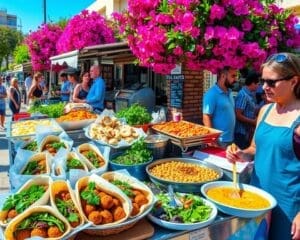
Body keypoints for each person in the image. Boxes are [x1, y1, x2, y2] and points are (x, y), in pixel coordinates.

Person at [226, 52, 300, 240]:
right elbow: (255, 149)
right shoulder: (265, 111)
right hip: (256, 200)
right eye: (262, 81)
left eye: (271, 82)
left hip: (288, 209)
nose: (264, 87)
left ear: (294, 81)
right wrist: (241, 154)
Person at [202, 67, 238, 148]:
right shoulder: (211, 94)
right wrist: (212, 139)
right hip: (219, 141)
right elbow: (206, 117)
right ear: (223, 76)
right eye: (233, 76)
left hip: (230, 139)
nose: (235, 79)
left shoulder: (229, 92)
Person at [234, 71, 260, 149]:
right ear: (252, 83)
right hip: (241, 132)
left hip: (247, 132)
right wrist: (253, 122)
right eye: (257, 84)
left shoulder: (250, 94)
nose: (258, 87)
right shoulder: (243, 95)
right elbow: (238, 114)